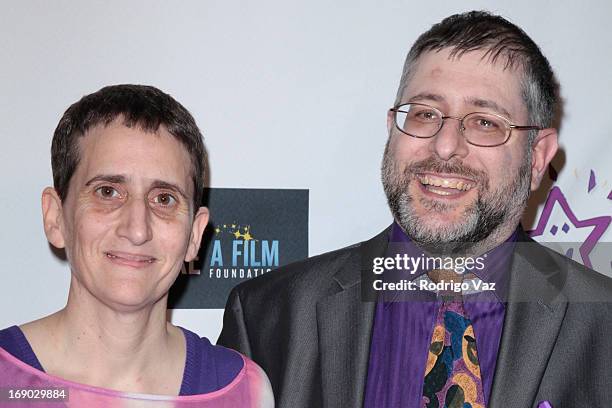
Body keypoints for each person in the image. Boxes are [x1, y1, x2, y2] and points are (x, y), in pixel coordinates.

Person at [218, 11, 612, 408]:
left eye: (485, 123)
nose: (444, 147)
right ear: (392, 128)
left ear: (538, 157)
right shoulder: (268, 315)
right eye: (425, 114)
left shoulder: (603, 325)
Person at [0, 85, 273, 407]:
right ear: (55, 217)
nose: (137, 229)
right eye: (108, 192)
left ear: (195, 235)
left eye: (164, 199)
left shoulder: (241, 391)